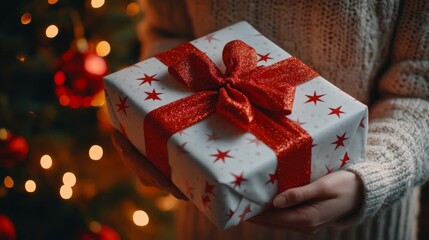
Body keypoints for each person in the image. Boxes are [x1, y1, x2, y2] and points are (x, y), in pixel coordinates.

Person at [111, 1, 429, 239]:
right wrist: (151, 131)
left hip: (365, 225)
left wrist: (372, 179)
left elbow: (420, 92)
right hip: (211, 218)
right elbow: (169, 35)